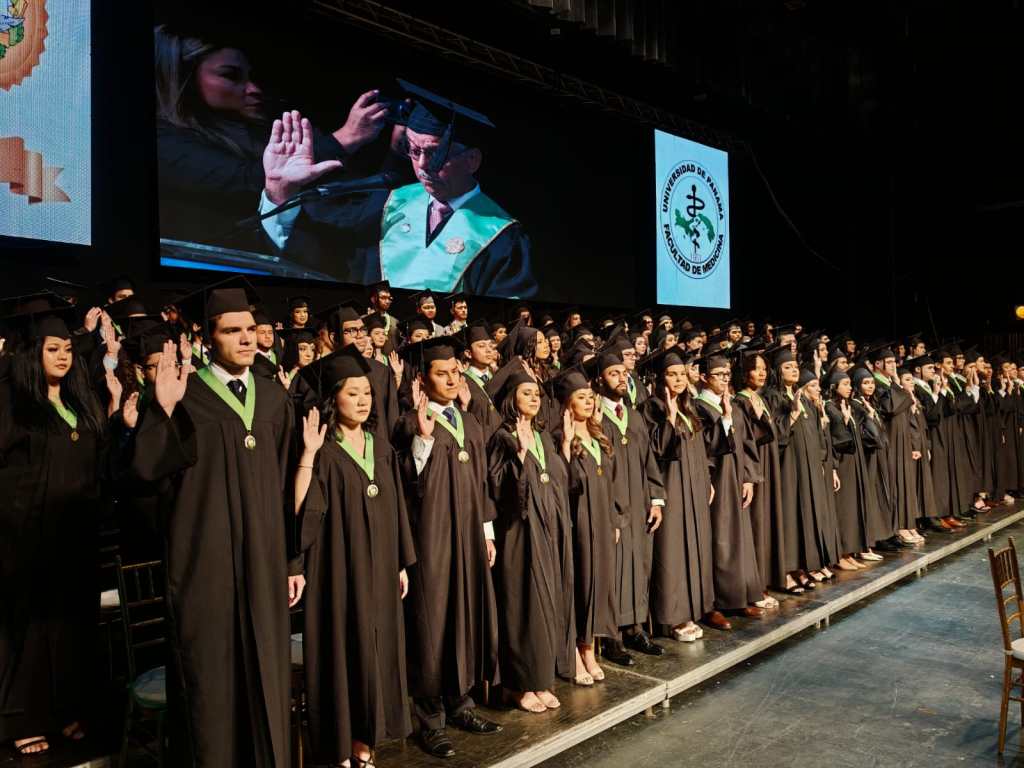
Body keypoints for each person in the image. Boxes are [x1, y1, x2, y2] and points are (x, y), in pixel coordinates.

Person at [130, 280, 301, 766]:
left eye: (250, 328)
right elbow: (142, 477)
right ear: (208, 338)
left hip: (265, 566)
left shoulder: (272, 400)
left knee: (268, 676)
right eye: (232, 331)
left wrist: (292, 558)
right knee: (212, 683)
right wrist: (160, 409)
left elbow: (290, 486)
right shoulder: (183, 396)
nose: (247, 338)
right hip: (205, 567)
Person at [154, 25, 386, 259]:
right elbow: (246, 181)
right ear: (185, 78)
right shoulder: (163, 140)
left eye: (249, 76)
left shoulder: (257, 129)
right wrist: (346, 138)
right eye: (230, 75)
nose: (253, 89)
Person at [0, 305, 117, 756]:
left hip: (76, 536)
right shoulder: (14, 406)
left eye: (68, 349)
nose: (64, 357)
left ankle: (67, 709)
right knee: (28, 633)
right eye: (53, 349)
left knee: (72, 629)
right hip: (27, 541)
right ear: (33, 354)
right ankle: (23, 720)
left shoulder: (76, 402)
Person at [293, 347, 416, 768]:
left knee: (378, 652)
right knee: (345, 650)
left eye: (367, 392)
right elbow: (302, 512)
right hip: (339, 571)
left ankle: (367, 739)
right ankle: (342, 744)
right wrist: (307, 454)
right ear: (333, 399)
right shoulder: (323, 450)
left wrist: (401, 560)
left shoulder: (379, 446)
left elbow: (398, 505)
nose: (363, 400)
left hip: (381, 567)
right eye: (353, 393)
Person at [391, 338, 501, 759]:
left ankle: (461, 703)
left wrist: (487, 532)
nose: (453, 378)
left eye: (457, 370)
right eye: (442, 372)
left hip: (470, 536)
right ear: (422, 379)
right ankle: (429, 719)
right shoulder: (407, 424)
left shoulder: (471, 423)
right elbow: (407, 485)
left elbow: (483, 484)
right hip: (429, 541)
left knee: (464, 617)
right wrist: (422, 439)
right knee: (430, 624)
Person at [487, 370, 575, 713]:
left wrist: (565, 446)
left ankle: (540, 680)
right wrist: (521, 457)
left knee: (547, 604)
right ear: (511, 400)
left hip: (549, 532)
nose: (535, 398)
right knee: (522, 606)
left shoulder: (545, 437)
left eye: (537, 393)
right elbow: (496, 489)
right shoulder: (502, 438)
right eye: (526, 393)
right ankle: (516, 685)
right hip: (519, 535)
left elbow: (560, 484)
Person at [591, 348, 666, 663]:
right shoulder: (595, 419)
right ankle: (613, 637)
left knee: (639, 566)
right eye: (613, 373)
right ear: (599, 380)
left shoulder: (633, 415)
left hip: (640, 505)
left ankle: (635, 627)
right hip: (613, 507)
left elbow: (650, 460)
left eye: (623, 373)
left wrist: (657, 499)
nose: (621, 379)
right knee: (615, 570)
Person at [640, 347, 718, 641]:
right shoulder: (651, 408)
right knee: (672, 549)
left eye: (682, 374)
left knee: (695, 545)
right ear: (661, 379)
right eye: (672, 375)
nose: (678, 380)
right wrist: (669, 419)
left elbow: (703, 449)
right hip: (670, 488)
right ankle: (672, 617)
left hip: (695, 487)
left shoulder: (691, 409)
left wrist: (708, 478)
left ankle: (694, 607)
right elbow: (655, 452)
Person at [553, 369, 624, 678]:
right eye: (580, 397)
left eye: (590, 397)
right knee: (580, 585)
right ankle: (576, 652)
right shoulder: (559, 438)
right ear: (568, 404)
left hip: (602, 521)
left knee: (601, 584)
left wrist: (615, 519)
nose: (588, 401)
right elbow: (561, 484)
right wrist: (567, 445)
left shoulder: (599, 434)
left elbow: (613, 482)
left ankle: (589, 648)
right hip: (577, 522)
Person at [693, 353, 766, 619]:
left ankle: (739, 596)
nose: (725, 380)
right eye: (718, 375)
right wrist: (723, 419)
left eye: (727, 375)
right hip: (717, 481)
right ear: (704, 378)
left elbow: (747, 443)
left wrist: (748, 477)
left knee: (739, 538)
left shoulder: (733, 404)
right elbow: (706, 448)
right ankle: (715, 604)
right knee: (720, 539)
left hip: (736, 479)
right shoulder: (698, 407)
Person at [733, 350, 788, 597]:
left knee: (768, 522)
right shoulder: (739, 402)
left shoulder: (760, 399)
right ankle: (755, 585)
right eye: (756, 368)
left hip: (769, 465)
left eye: (764, 368)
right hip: (754, 468)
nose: (762, 373)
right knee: (756, 523)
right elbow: (745, 441)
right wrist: (748, 475)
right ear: (745, 373)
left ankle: (768, 578)